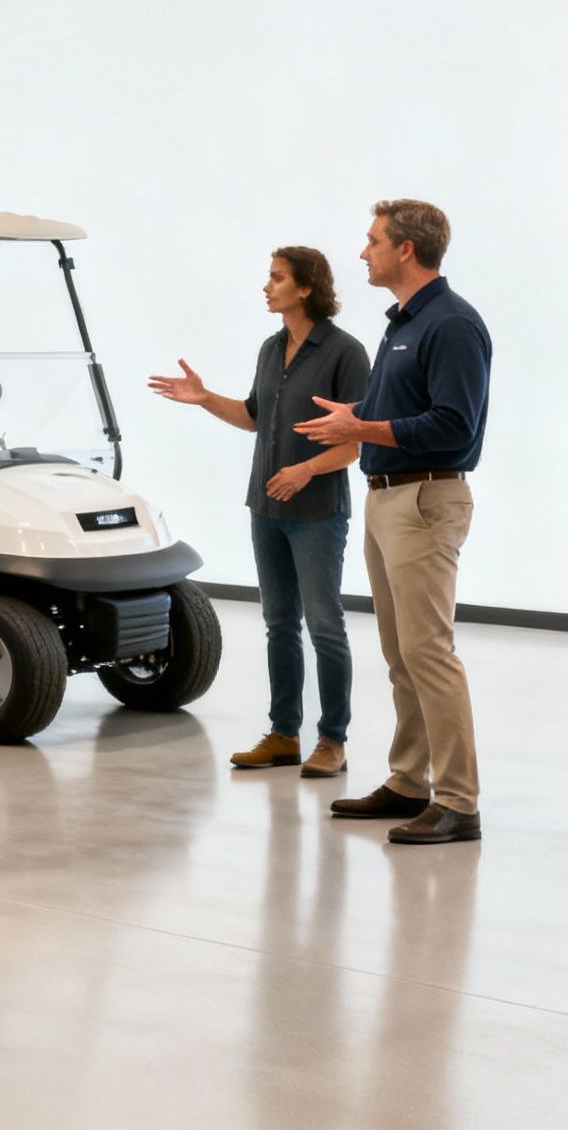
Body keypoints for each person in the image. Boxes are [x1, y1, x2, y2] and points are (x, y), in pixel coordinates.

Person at [295, 199, 490, 845]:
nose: (363, 252)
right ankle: (409, 782)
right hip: (386, 496)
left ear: (406, 249)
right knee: (401, 654)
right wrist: (357, 412)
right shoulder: (404, 323)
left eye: (373, 241)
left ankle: (459, 801)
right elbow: (406, 407)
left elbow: (454, 425)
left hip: (426, 500)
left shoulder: (453, 324)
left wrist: (362, 426)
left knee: (429, 653)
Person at [150, 248, 369, 777]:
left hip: (317, 512)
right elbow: (254, 417)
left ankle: (332, 741)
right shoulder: (272, 349)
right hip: (265, 509)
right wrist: (204, 399)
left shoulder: (345, 352)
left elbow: (355, 442)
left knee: (325, 626)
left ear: (306, 287)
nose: (266, 287)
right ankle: (283, 734)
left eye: (276, 278)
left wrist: (304, 471)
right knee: (278, 625)